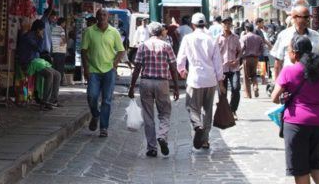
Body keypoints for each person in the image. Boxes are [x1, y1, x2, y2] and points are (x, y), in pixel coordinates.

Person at [272, 34, 319, 184]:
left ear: (294, 53)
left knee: (299, 167)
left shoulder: (289, 71)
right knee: (316, 162)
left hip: (297, 122)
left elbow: (275, 97)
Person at [128, 22, 181, 157]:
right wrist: (175, 87)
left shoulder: (143, 46)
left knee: (148, 115)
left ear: (150, 32)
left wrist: (132, 86)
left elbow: (137, 68)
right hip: (162, 83)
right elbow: (173, 68)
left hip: (146, 82)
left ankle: (151, 148)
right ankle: (162, 135)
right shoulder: (166, 46)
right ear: (160, 32)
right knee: (165, 113)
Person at [176, 13, 224, 150]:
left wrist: (181, 71)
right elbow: (218, 62)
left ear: (193, 25)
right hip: (210, 79)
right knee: (207, 110)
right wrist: (220, 80)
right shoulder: (212, 39)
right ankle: (205, 140)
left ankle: (197, 125)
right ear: (205, 24)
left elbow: (181, 58)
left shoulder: (188, 38)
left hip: (195, 78)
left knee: (192, 107)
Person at [81, 9, 126, 137]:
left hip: (109, 71)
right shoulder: (89, 31)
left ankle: (104, 128)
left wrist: (114, 64)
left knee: (106, 100)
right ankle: (95, 115)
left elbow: (121, 51)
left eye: (104, 15)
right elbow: (84, 51)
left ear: (108, 17)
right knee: (92, 96)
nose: (102, 17)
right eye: (100, 14)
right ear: (96, 16)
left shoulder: (114, 32)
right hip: (93, 70)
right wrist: (86, 69)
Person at [270, 4, 319, 78]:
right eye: (305, 17)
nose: (308, 20)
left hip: (312, 81)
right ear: (294, 17)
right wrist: (278, 83)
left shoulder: (316, 36)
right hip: (290, 81)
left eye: (309, 17)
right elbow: (278, 63)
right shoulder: (284, 35)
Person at [17, 19, 61, 109]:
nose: (43, 32)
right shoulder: (29, 37)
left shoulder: (34, 36)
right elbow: (39, 49)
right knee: (49, 74)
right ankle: (45, 101)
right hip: (28, 63)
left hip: (36, 61)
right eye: (42, 30)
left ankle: (53, 100)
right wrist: (41, 38)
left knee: (58, 74)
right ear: (38, 29)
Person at [217, 17, 242, 112]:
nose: (227, 25)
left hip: (234, 68)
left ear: (231, 25)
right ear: (222, 25)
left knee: (236, 88)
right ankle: (224, 111)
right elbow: (214, 54)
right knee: (222, 91)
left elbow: (240, 51)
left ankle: (233, 110)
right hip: (222, 68)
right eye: (225, 23)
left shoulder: (236, 37)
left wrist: (237, 60)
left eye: (229, 23)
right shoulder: (218, 38)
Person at [240, 21, 268, 99]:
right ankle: (255, 86)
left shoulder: (244, 37)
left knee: (246, 76)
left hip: (247, 59)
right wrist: (258, 54)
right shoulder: (258, 38)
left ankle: (248, 94)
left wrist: (239, 57)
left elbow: (241, 48)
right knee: (254, 75)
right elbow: (262, 49)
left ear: (246, 29)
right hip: (256, 58)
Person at [50, 16, 68, 84]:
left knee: (56, 67)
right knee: (60, 67)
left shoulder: (54, 29)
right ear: (62, 23)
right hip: (60, 51)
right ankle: (59, 82)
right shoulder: (61, 30)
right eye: (64, 23)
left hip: (55, 51)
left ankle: (55, 81)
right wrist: (65, 43)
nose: (65, 25)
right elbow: (63, 41)